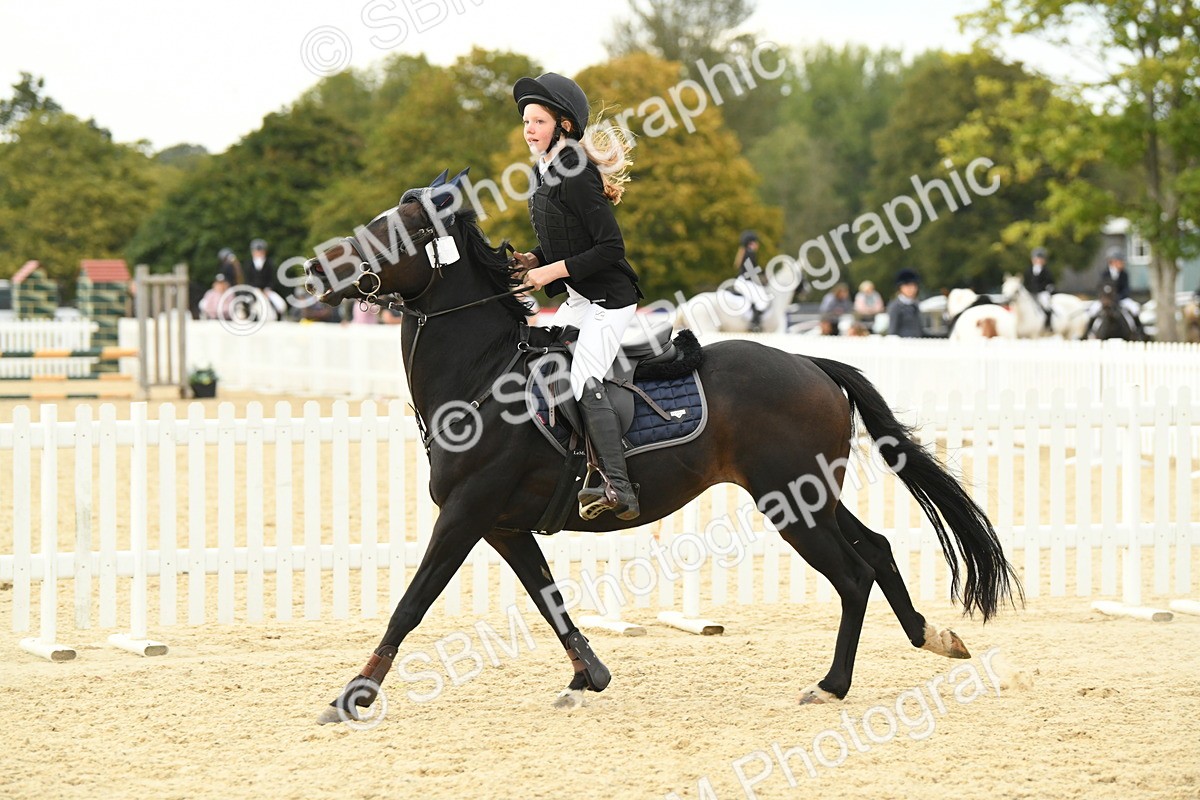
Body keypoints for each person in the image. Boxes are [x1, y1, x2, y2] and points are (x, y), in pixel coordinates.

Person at [511, 71, 642, 521]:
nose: (529, 129)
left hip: (611, 301)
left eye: (538, 121)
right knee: (536, 358)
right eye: (526, 121)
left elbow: (610, 248)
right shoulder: (542, 170)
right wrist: (533, 259)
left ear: (564, 125)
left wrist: (548, 270)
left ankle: (618, 486)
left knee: (584, 377)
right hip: (581, 299)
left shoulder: (579, 173)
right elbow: (566, 241)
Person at [1089, 247, 1141, 335]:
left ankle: (1139, 331)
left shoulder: (1124, 274)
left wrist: (1118, 298)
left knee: (1135, 308)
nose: (1123, 263)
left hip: (1121, 299)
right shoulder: (1104, 274)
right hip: (1106, 300)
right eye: (1120, 261)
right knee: (1092, 310)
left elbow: (1126, 289)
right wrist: (1105, 299)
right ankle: (1088, 332)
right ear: (1112, 261)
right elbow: (1100, 288)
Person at [732, 230, 770, 331]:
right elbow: (751, 271)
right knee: (762, 300)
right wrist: (764, 274)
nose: (757, 245)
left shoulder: (745, 253)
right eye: (756, 242)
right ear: (751, 243)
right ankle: (754, 324)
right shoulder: (750, 253)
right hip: (745, 282)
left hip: (742, 281)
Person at [244, 239, 287, 319]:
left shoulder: (270, 263)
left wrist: (267, 289)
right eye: (257, 251)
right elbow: (248, 280)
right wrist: (257, 289)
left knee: (280, 304)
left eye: (261, 251)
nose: (259, 253)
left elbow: (272, 279)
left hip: (267, 290)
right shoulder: (249, 264)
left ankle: (280, 317)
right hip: (254, 290)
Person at [1023, 246, 1056, 330]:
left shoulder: (1046, 271)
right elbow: (1026, 283)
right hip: (1030, 293)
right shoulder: (1028, 271)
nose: (1038, 261)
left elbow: (1050, 282)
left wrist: (1047, 289)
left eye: (1040, 259)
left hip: (1042, 292)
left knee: (1046, 305)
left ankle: (1048, 324)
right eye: (1036, 259)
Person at [886, 268, 924, 338]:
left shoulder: (915, 304)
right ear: (900, 288)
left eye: (913, 286)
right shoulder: (895, 306)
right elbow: (892, 329)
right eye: (907, 286)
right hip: (902, 344)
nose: (910, 289)